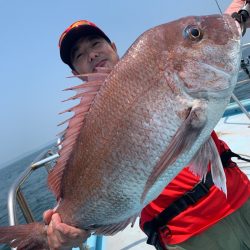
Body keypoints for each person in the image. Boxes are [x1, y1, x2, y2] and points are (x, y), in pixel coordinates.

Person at [44, 1, 250, 249]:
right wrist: (63, 231)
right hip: (187, 234)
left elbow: (221, 29)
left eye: (96, 43)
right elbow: (73, 207)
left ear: (113, 47)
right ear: (76, 73)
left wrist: (236, 14)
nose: (91, 54)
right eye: (79, 54)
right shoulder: (79, 137)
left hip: (242, 196)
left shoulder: (158, 61)